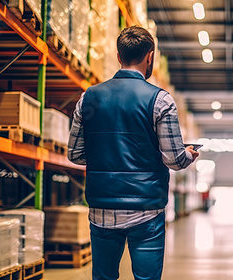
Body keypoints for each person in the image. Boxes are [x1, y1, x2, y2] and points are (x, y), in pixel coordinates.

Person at [67, 26, 199, 280]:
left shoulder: (88, 98)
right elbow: (173, 159)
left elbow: (75, 154)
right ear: (150, 56)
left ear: (118, 56)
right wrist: (188, 154)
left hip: (101, 209)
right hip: (146, 211)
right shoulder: (160, 100)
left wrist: (104, 155)